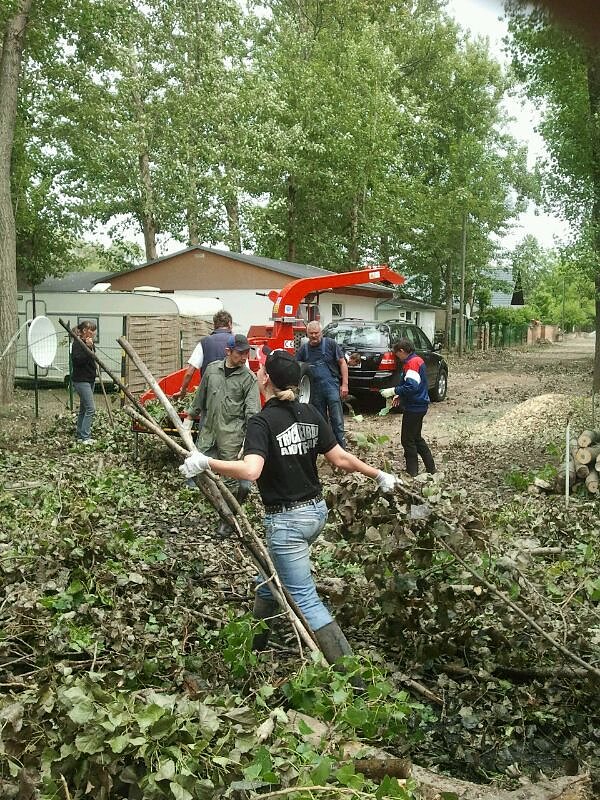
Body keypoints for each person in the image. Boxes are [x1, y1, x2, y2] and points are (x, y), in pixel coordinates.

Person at [179, 347, 399, 664]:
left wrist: (206, 462)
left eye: (261, 370)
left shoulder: (262, 422)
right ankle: (254, 648)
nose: (257, 373)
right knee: (267, 582)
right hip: (316, 513)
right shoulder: (310, 413)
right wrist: (378, 474)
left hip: (288, 522)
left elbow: (251, 471)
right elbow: (340, 458)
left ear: (266, 379)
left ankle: (352, 674)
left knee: (304, 598)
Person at [185, 333, 260, 535]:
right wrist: (189, 418)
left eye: (246, 353)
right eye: (240, 353)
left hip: (232, 437)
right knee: (196, 470)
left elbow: (252, 413)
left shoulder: (249, 379)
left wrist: (250, 440)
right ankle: (219, 503)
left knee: (230, 481)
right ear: (228, 351)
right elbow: (200, 396)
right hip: (208, 433)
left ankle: (227, 519)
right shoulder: (212, 370)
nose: (244, 357)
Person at [296, 321, 349, 448]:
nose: (314, 336)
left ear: (321, 333)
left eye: (316, 333)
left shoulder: (330, 344)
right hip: (314, 390)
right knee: (321, 421)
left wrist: (345, 384)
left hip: (331, 386)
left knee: (337, 420)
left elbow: (342, 363)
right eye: (311, 333)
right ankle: (327, 449)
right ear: (307, 334)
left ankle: (342, 448)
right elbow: (297, 368)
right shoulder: (303, 350)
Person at [391, 338, 436, 478]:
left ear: (402, 351)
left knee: (407, 440)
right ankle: (431, 468)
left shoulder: (412, 363)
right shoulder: (416, 360)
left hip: (415, 406)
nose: (397, 357)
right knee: (416, 438)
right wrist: (400, 395)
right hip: (419, 404)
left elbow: (411, 386)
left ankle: (412, 472)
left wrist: (395, 390)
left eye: (397, 354)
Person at [172, 310, 233, 400]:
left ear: (214, 325)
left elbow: (189, 373)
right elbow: (247, 371)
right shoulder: (237, 342)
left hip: (209, 395)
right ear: (230, 324)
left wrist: (183, 390)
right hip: (232, 396)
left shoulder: (204, 342)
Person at [71, 320, 97, 444]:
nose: (93, 333)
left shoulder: (89, 343)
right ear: (84, 331)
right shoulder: (77, 343)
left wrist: (91, 347)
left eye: (94, 331)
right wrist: (88, 348)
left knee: (84, 409)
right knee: (91, 409)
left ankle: (80, 435)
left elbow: (93, 357)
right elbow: (78, 361)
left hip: (90, 379)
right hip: (81, 380)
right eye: (91, 330)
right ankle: (85, 437)